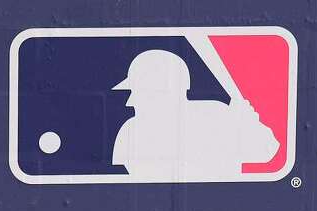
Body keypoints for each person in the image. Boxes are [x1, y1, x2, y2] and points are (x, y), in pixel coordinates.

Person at [110, 49, 279, 182]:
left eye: (138, 92)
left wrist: (248, 125)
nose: (130, 102)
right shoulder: (132, 130)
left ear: (163, 93)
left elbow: (267, 151)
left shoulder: (218, 115)